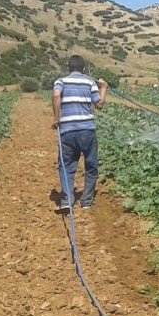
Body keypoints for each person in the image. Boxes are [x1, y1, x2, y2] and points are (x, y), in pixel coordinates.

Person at [52, 55, 108, 210]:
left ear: (68, 68)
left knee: (66, 165)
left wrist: (56, 118)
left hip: (67, 131)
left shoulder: (60, 81)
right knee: (91, 165)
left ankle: (67, 200)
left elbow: (56, 95)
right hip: (87, 130)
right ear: (83, 69)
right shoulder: (89, 81)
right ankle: (87, 201)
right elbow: (100, 105)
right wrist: (103, 88)